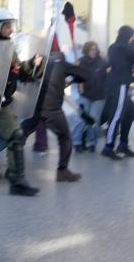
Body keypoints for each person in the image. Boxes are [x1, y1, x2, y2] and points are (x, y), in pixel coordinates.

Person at [0, 8, 43, 195]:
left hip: (0, 100)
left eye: (10, 25)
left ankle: (12, 177)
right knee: (12, 135)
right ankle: (14, 179)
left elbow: (17, 70)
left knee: (12, 136)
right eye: (7, 26)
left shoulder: (7, 46)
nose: (11, 30)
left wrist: (32, 63)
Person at [21, 49, 86, 182]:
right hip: (52, 109)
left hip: (35, 107)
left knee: (19, 136)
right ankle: (62, 171)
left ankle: (13, 170)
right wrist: (75, 74)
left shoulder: (37, 61)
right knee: (65, 137)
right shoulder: (62, 63)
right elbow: (84, 75)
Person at [101, 26, 134, 160]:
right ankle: (108, 147)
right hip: (121, 85)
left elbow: (123, 64)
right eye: (131, 36)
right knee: (116, 116)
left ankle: (123, 145)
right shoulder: (126, 48)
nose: (132, 39)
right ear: (128, 36)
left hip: (115, 84)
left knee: (130, 113)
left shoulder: (113, 47)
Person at [72, 41, 107, 152]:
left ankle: (92, 142)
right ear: (86, 50)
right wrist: (74, 69)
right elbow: (73, 77)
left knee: (94, 120)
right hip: (84, 95)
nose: (94, 51)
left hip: (99, 96)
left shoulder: (102, 62)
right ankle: (77, 142)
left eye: (95, 49)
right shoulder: (80, 62)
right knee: (81, 119)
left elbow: (107, 76)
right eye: (91, 49)